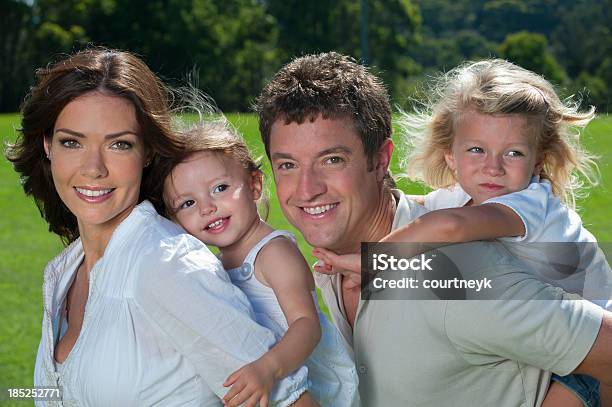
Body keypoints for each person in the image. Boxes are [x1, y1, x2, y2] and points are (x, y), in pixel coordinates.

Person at [255, 51, 612, 406]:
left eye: (332, 160)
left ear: (380, 160)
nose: (306, 190)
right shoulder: (328, 262)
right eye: (287, 165)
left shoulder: (459, 274)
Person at [5, 48, 317, 407]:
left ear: (148, 152)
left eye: (119, 144)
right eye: (72, 142)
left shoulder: (169, 267)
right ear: (47, 146)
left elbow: (294, 402)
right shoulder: (64, 273)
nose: (93, 168)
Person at [161, 118, 359, 406]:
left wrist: (268, 368)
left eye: (219, 188)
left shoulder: (273, 253)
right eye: (187, 203)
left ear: (254, 185)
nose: (207, 207)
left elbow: (306, 325)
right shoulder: (212, 265)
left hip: (322, 392)